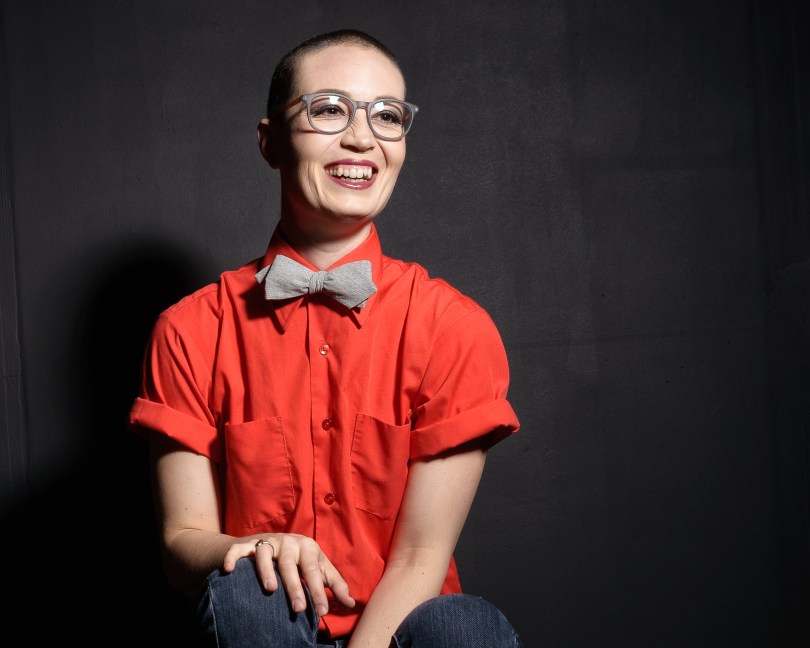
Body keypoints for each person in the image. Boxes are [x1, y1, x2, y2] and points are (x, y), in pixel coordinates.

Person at [128, 28, 523, 647]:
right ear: (270, 142)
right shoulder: (189, 329)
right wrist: (252, 544)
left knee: (465, 626)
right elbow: (182, 547)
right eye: (329, 109)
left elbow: (421, 556)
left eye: (386, 116)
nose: (362, 137)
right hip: (259, 633)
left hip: (400, 632)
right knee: (246, 587)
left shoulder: (454, 328)